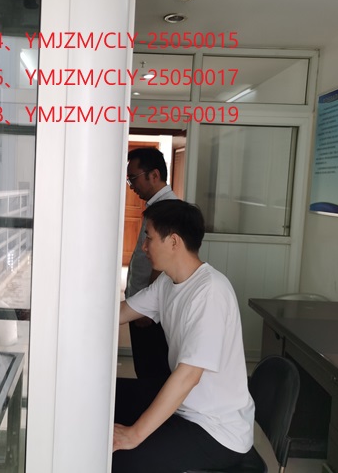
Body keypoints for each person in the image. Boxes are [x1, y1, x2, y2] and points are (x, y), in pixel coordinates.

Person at [113, 200, 254, 473]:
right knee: (109, 397)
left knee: (119, 458)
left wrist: (134, 435)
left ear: (174, 241)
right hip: (187, 407)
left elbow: (189, 375)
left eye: (149, 238)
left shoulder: (210, 292)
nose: (144, 247)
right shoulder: (168, 282)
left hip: (215, 429)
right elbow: (120, 313)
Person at [125, 148, 178, 381]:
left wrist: (149, 306)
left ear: (154, 175)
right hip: (142, 303)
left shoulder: (168, 210)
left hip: (149, 309)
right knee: (145, 370)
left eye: (133, 178)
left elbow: (161, 264)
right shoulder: (158, 207)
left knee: (151, 372)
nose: (131, 186)